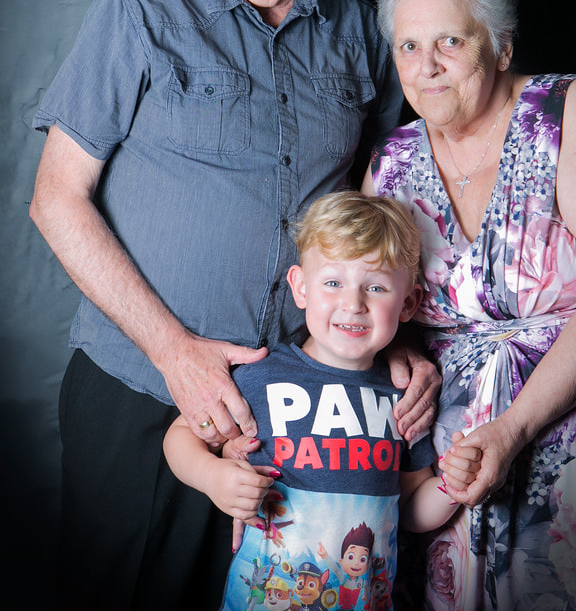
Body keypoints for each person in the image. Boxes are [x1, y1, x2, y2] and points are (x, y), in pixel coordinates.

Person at [28, 0, 441, 611]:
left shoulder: (363, 32)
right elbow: (56, 201)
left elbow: (382, 213)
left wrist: (392, 339)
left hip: (300, 410)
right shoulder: (143, 9)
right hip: (142, 388)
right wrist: (174, 352)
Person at [362, 0, 576, 610]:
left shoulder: (567, 112)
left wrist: (513, 428)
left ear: (502, 47)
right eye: (408, 46)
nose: (427, 66)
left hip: (575, 448)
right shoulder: (390, 165)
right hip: (446, 473)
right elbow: (370, 301)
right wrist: (399, 348)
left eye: (450, 41)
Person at [163, 191, 482, 611]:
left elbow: (409, 507)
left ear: (408, 303)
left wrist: (451, 486)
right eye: (333, 283)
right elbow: (181, 434)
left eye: (376, 287)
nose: (353, 304)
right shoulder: (263, 375)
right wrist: (212, 477)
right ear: (301, 287)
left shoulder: (404, 397)